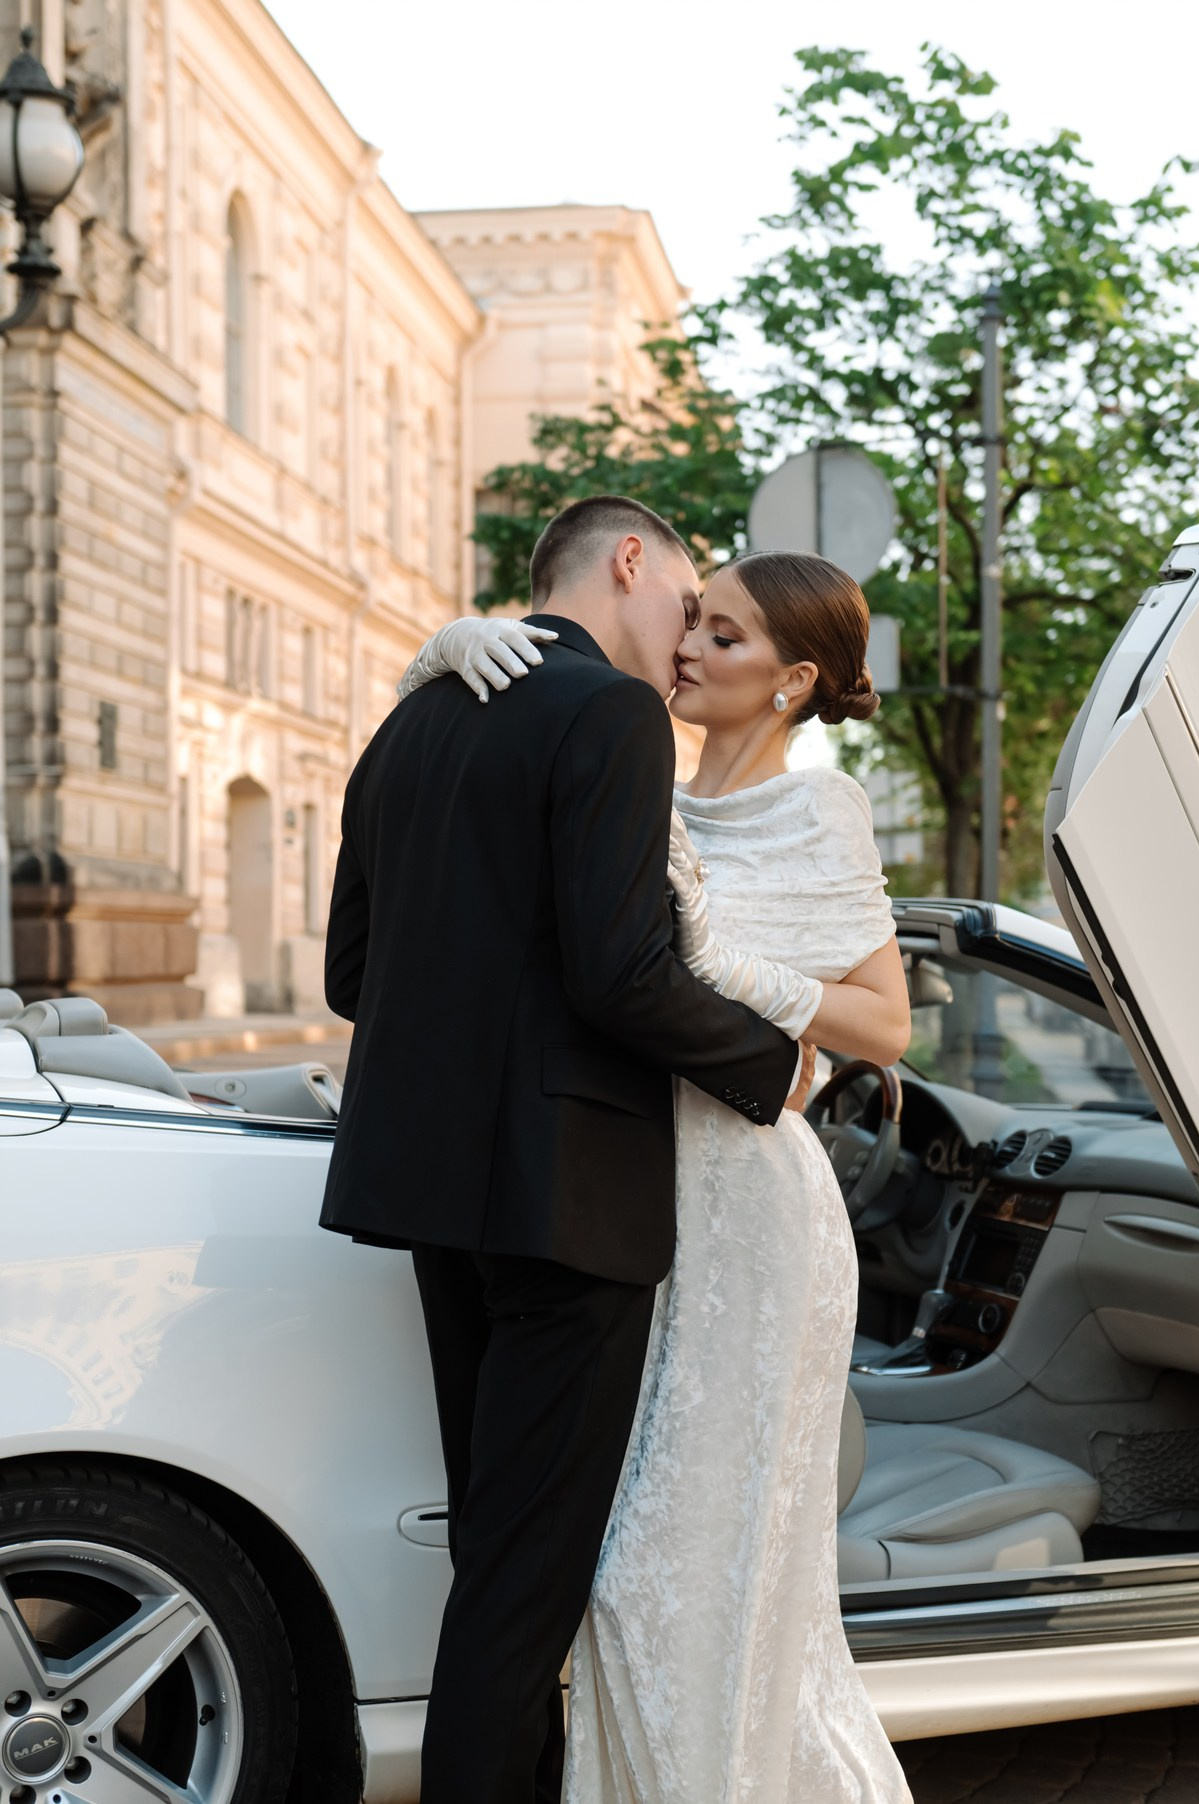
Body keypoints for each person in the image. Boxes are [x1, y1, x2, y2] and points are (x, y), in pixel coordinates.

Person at [400, 542, 915, 1802]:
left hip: (747, 1208)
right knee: (600, 1563)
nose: (688, 647)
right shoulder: (633, 777)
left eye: (724, 636)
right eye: (693, 622)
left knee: (692, 1552)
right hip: (611, 1191)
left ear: (793, 683)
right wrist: (439, 658)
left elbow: (884, 1025)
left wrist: (727, 972)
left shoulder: (821, 808)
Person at [319, 495, 814, 1804]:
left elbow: (353, 972)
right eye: (686, 602)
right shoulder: (605, 712)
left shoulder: (414, 717)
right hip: (567, 1202)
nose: (685, 638)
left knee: (497, 1551)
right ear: (630, 561)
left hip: (429, 1195)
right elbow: (620, 973)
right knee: (523, 1586)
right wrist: (777, 1065)